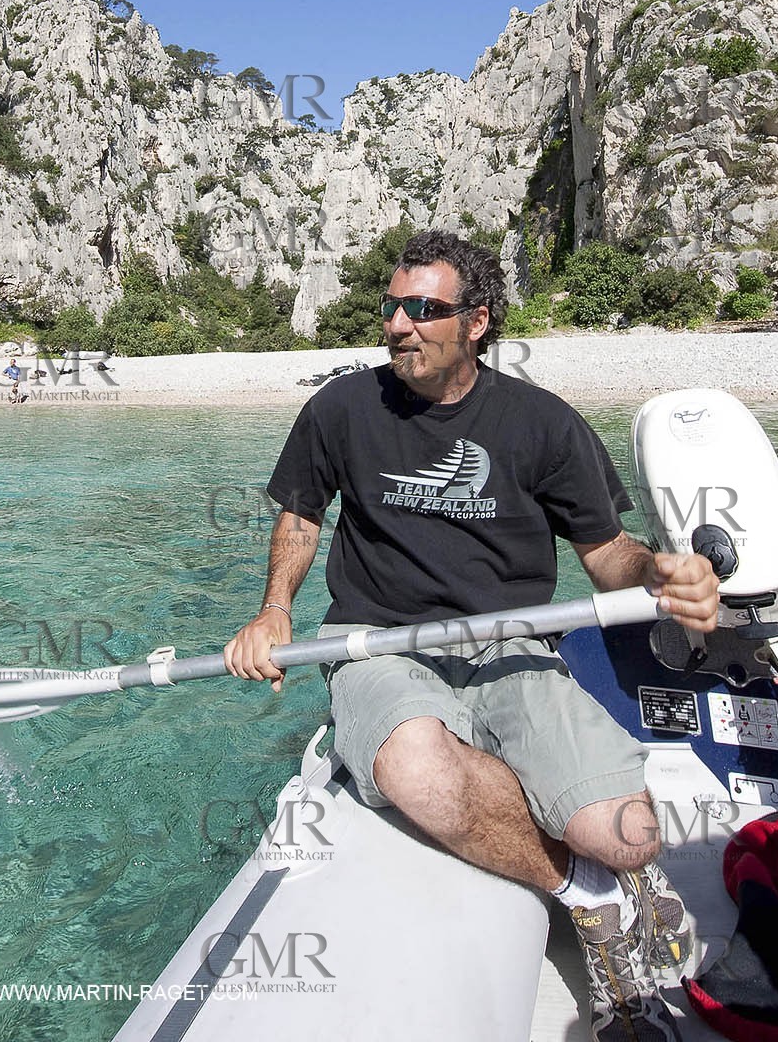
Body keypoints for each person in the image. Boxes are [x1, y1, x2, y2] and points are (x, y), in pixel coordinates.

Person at [224, 229, 719, 1042]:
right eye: (392, 306)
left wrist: (658, 574)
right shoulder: (341, 409)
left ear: (478, 321)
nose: (398, 324)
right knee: (420, 766)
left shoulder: (545, 425)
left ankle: (610, 866)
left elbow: (606, 554)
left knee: (627, 835)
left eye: (424, 309)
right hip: (377, 642)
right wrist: (275, 607)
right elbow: (301, 515)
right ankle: (586, 897)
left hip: (512, 642)